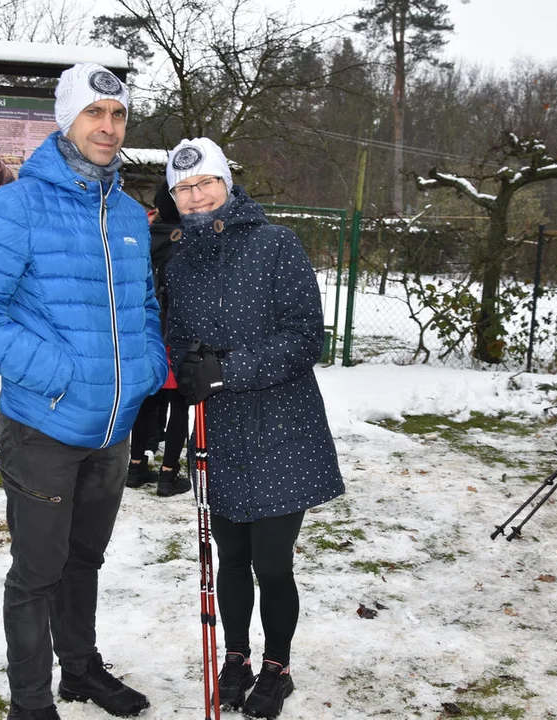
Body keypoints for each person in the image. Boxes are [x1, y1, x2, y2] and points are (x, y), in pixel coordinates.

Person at [0, 64, 167, 720]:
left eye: (117, 114)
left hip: (112, 430)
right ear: (67, 119)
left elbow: (145, 307)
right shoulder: (18, 205)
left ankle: (80, 670)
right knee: (37, 575)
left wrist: (146, 368)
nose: (107, 126)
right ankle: (31, 703)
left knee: (83, 562)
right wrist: (59, 375)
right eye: (94, 112)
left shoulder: (129, 215)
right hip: (44, 427)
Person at [164, 138, 345, 718]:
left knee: (271, 560)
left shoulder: (276, 244)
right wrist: (188, 361)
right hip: (218, 430)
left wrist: (226, 369)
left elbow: (304, 335)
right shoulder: (179, 260)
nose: (196, 198)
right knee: (229, 556)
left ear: (227, 183)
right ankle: (237, 657)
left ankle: (277, 663)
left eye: (205, 184)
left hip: (280, 426)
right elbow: (173, 331)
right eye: (183, 190)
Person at [126, 180, 191, 497]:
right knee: (180, 404)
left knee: (146, 402)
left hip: (146, 331)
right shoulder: (190, 238)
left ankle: (135, 466)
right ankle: (168, 474)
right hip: (178, 334)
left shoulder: (142, 233)